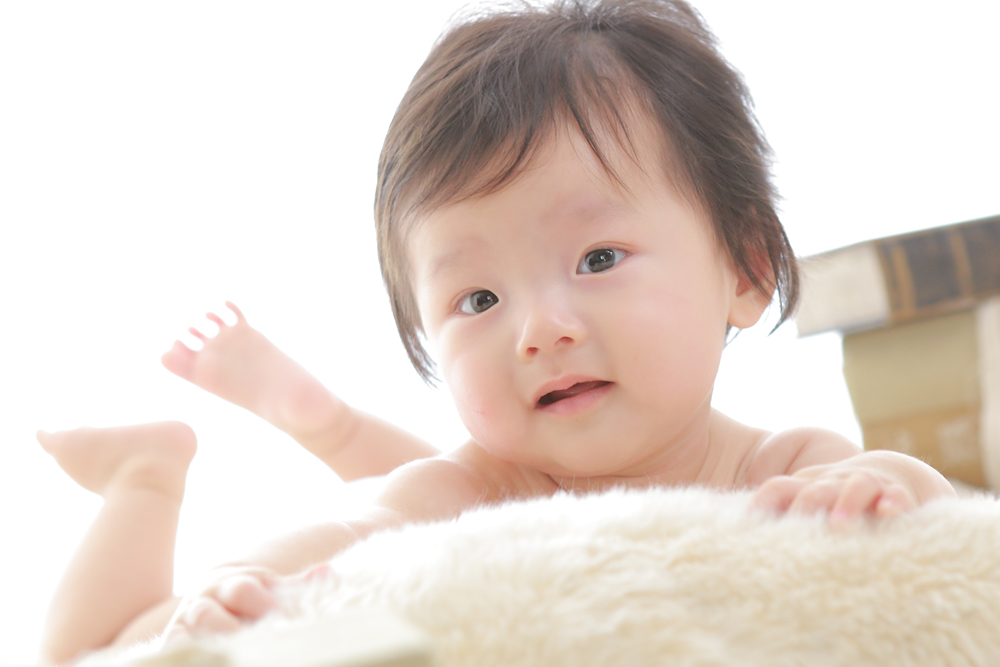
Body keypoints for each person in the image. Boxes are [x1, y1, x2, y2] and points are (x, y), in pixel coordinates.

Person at [37, 0, 957, 663]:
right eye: (477, 300)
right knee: (88, 649)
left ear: (747, 270)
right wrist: (242, 581)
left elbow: (930, 508)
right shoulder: (468, 485)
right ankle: (145, 475)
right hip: (170, 595)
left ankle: (321, 420)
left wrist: (874, 484)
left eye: (598, 258)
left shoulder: (780, 464)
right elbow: (353, 526)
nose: (540, 330)